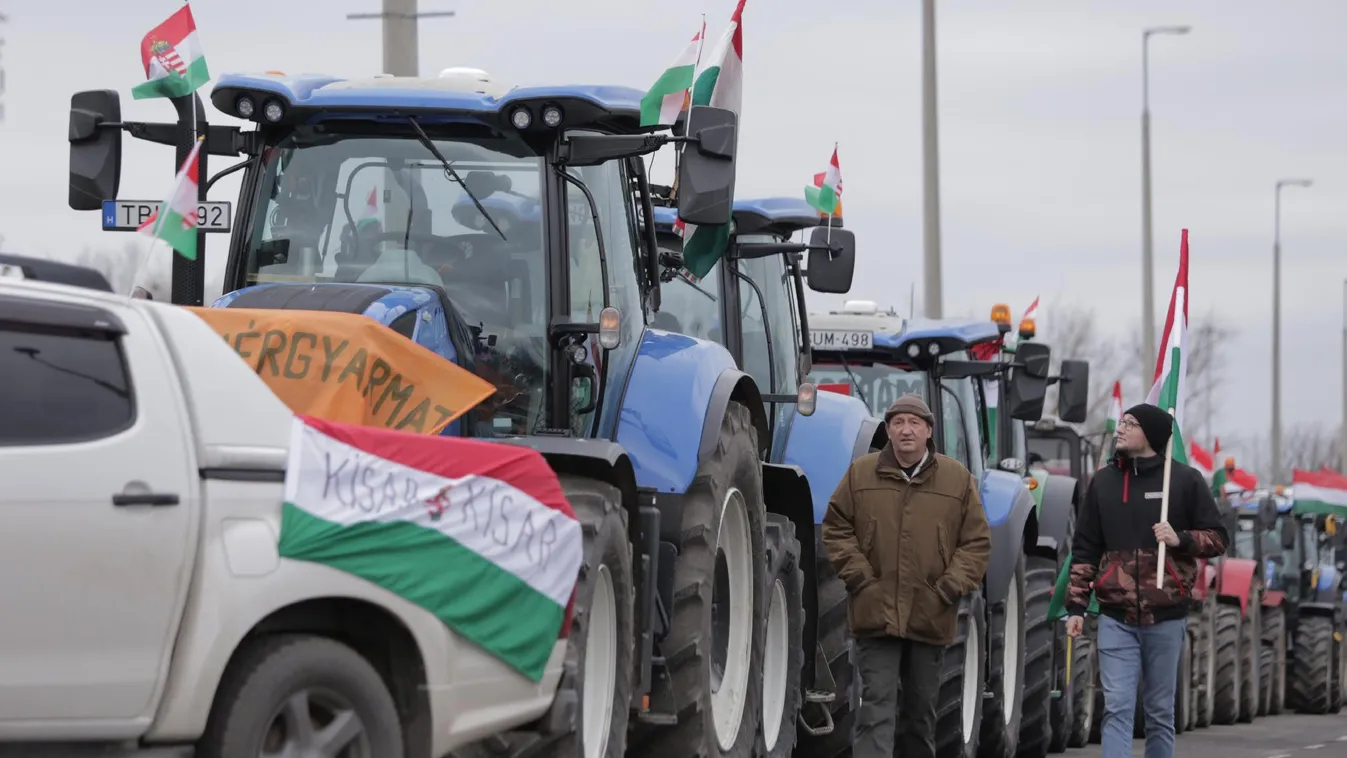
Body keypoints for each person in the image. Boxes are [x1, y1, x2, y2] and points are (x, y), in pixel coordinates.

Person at [821, 393, 991, 758]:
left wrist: (946, 589)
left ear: (929, 431)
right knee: (874, 712)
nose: (906, 430)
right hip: (875, 614)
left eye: (914, 423)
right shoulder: (861, 473)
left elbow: (976, 543)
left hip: (930, 614)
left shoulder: (957, 479)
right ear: (887, 430)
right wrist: (862, 580)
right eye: (898, 423)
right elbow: (836, 529)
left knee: (919, 719)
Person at [1065, 403, 1228, 758]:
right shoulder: (1103, 482)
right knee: (1118, 709)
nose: (1120, 429)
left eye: (1130, 423)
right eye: (1121, 422)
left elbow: (1218, 538)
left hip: (1166, 618)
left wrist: (1180, 539)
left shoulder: (1185, 481)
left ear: (1151, 435)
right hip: (1114, 617)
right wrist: (1076, 605)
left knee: (1158, 714)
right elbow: (1085, 549)